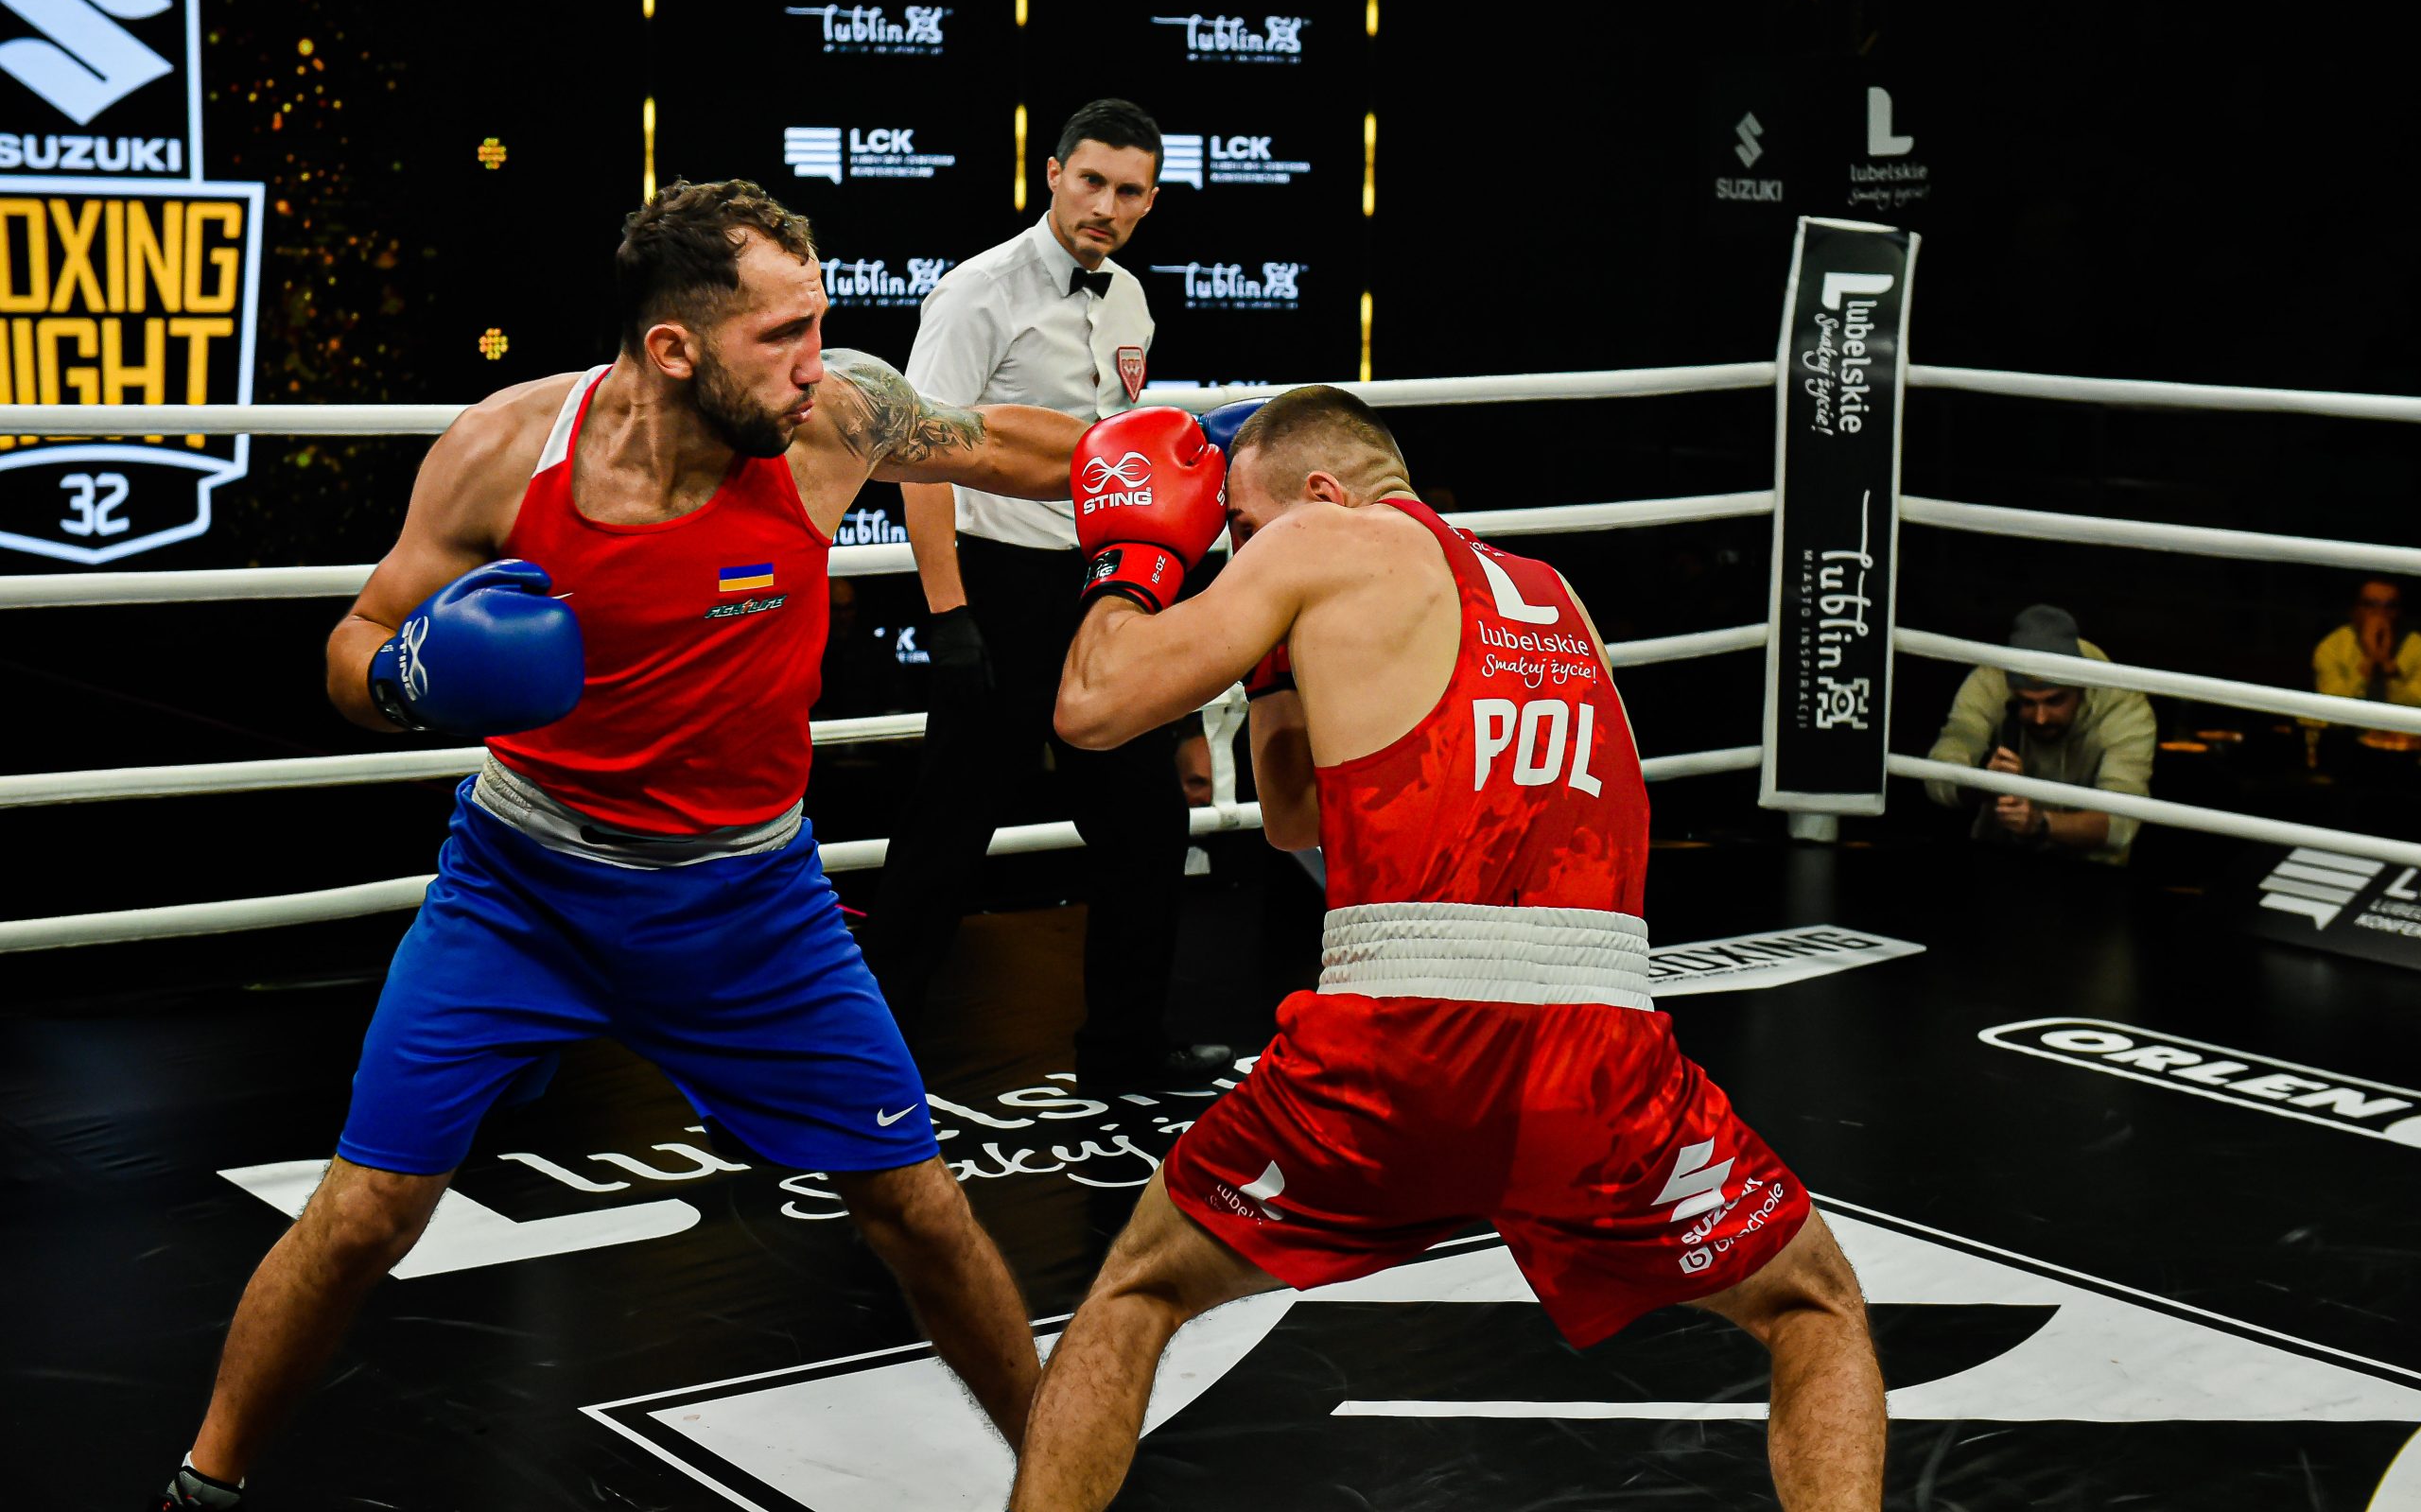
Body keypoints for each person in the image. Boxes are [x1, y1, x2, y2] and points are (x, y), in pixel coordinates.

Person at [150, 180, 1083, 1511]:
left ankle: (1066, 1489)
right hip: (522, 894)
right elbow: (355, 643)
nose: (814, 362)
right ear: (673, 348)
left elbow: (1011, 447)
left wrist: (1199, 468)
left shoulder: (831, 424)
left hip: (751, 904)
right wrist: (408, 679)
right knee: (364, 1211)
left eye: (818, 324)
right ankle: (202, 1487)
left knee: (919, 1209)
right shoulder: (506, 451)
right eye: (782, 334)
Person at [1011, 388, 1886, 1511]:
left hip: (1397, 1040)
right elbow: (1294, 815)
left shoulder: (1320, 542)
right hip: (1600, 1059)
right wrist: (1277, 663)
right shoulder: (1553, 594)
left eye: (1241, 528)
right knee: (1813, 1305)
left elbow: (1091, 704)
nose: (1238, 555)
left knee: (1139, 1288)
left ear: (1320, 494)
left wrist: (1130, 561)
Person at [867, 98, 1228, 1092]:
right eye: (1092, 181)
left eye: (1129, 190)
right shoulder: (977, 291)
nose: (1105, 205)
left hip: (1104, 587)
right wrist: (949, 616)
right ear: (1055, 174)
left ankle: (1123, 1051)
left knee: (1146, 825)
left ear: (1150, 201)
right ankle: (859, 1065)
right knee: (947, 833)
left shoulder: (1131, 299)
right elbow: (918, 453)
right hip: (997, 585)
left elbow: (1126, 466)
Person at [1923, 603, 2156, 865]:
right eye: (2027, 702)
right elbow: (1940, 768)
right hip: (1998, 852)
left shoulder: (2124, 705)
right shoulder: (1992, 679)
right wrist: (1982, 785)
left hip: (2091, 868)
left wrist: (2039, 823)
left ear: (2081, 688)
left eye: (2055, 701)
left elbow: (2121, 824)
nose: (2040, 718)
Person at [2313, 577, 2421, 706]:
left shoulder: (2417, 646)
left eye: (2390, 606)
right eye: (2370, 605)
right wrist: (2368, 663)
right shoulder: (2332, 646)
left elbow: (2416, 705)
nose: (2380, 614)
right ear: (2354, 611)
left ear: (2399, 613)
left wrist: (2388, 665)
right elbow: (2332, 706)